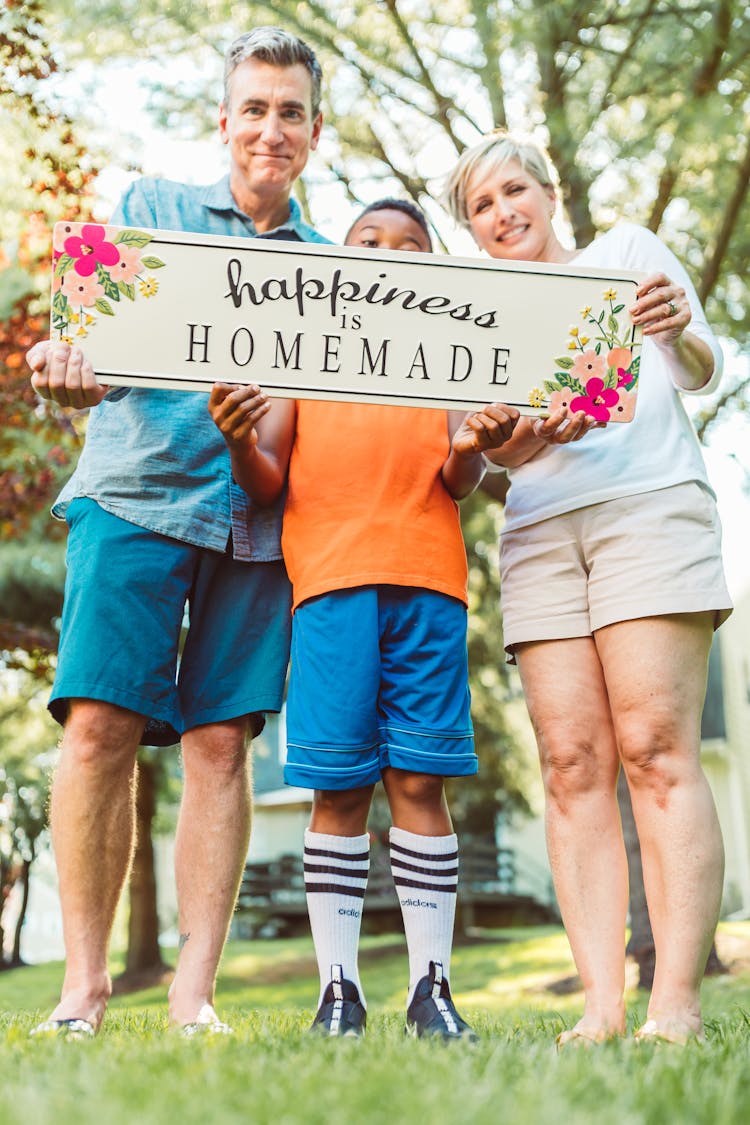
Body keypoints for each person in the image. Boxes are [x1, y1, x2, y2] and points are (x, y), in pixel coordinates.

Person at [24, 26, 327, 1038]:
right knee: (101, 728)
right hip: (135, 492)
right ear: (225, 119)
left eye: (290, 112)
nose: (270, 130)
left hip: (254, 519)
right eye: (255, 108)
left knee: (219, 748)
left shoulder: (329, 272)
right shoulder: (152, 211)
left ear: (313, 132)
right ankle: (83, 989)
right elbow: (101, 348)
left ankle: (196, 999)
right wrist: (70, 366)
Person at [442, 132, 733, 1046]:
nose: (503, 214)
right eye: (481, 206)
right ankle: (601, 1009)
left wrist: (678, 325)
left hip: (647, 509)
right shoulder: (475, 316)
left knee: (654, 747)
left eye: (514, 190)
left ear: (549, 190)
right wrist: (506, 445)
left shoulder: (626, 255)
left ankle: (674, 1002)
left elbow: (703, 367)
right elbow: (492, 463)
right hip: (539, 531)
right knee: (571, 765)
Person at [208, 198, 520, 1039]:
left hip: (429, 586)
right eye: (367, 243)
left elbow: (458, 477)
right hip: (331, 589)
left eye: (410, 246)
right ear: (338, 262)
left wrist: (471, 445)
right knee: (338, 785)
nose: (387, 253)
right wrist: (238, 438)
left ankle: (432, 987)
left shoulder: (451, 360)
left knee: (420, 780)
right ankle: (337, 989)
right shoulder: (299, 358)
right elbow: (265, 479)